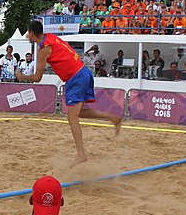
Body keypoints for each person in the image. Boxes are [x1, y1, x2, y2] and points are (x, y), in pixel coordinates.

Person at [16, 20, 121, 167]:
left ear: (32, 33)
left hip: (75, 77)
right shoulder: (50, 37)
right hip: (84, 72)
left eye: (28, 33)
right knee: (79, 113)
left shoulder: (43, 50)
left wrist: (22, 77)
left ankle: (81, 154)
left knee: (72, 117)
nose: (27, 35)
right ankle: (113, 118)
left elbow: (37, 78)